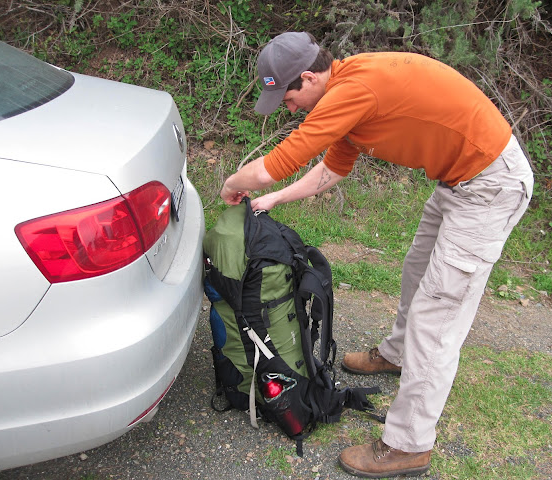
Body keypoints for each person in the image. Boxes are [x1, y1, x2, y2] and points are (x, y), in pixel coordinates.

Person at [220, 31, 534, 478]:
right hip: (457, 182)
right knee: (415, 274)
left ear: (308, 78)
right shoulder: (347, 92)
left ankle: (408, 446)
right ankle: (397, 355)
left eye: (288, 99)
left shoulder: (352, 91)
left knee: (436, 318)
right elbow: (331, 169)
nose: (289, 110)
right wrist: (274, 200)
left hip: (487, 186)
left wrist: (234, 184)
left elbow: (280, 162)